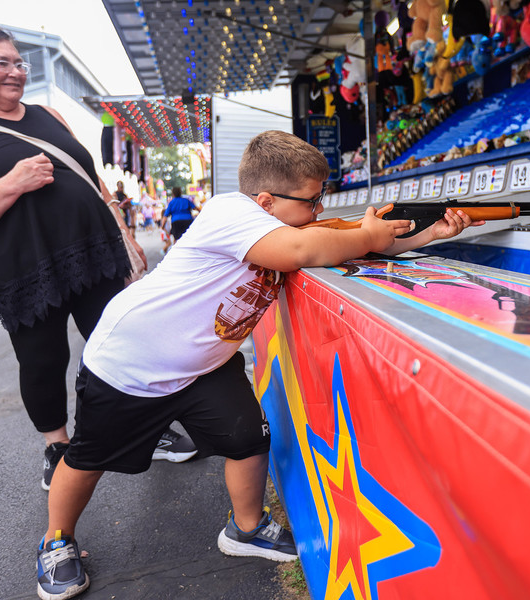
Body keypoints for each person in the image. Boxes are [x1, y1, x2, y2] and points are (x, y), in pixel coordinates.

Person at [35, 130, 482, 599]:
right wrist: (364, 233)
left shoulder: (284, 224)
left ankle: (245, 529)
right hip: (133, 364)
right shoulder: (231, 211)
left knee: (248, 439)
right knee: (87, 459)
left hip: (207, 363)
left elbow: (351, 246)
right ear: (266, 200)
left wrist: (429, 233)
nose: (319, 212)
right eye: (311, 202)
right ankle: (56, 540)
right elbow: (304, 251)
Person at [0, 18, 196, 492]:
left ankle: (144, 428)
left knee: (122, 343)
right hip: (25, 267)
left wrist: (123, 231)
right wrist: (12, 182)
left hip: (93, 251)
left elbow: (92, 181)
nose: (16, 71)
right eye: (2, 63)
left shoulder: (48, 116)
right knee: (42, 360)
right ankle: (58, 446)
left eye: (19, 62)